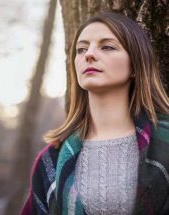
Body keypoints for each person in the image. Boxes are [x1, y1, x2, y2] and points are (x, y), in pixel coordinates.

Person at [20, 12, 169, 215]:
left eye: (107, 47)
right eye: (81, 49)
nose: (88, 54)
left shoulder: (166, 142)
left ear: (135, 64)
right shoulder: (51, 160)